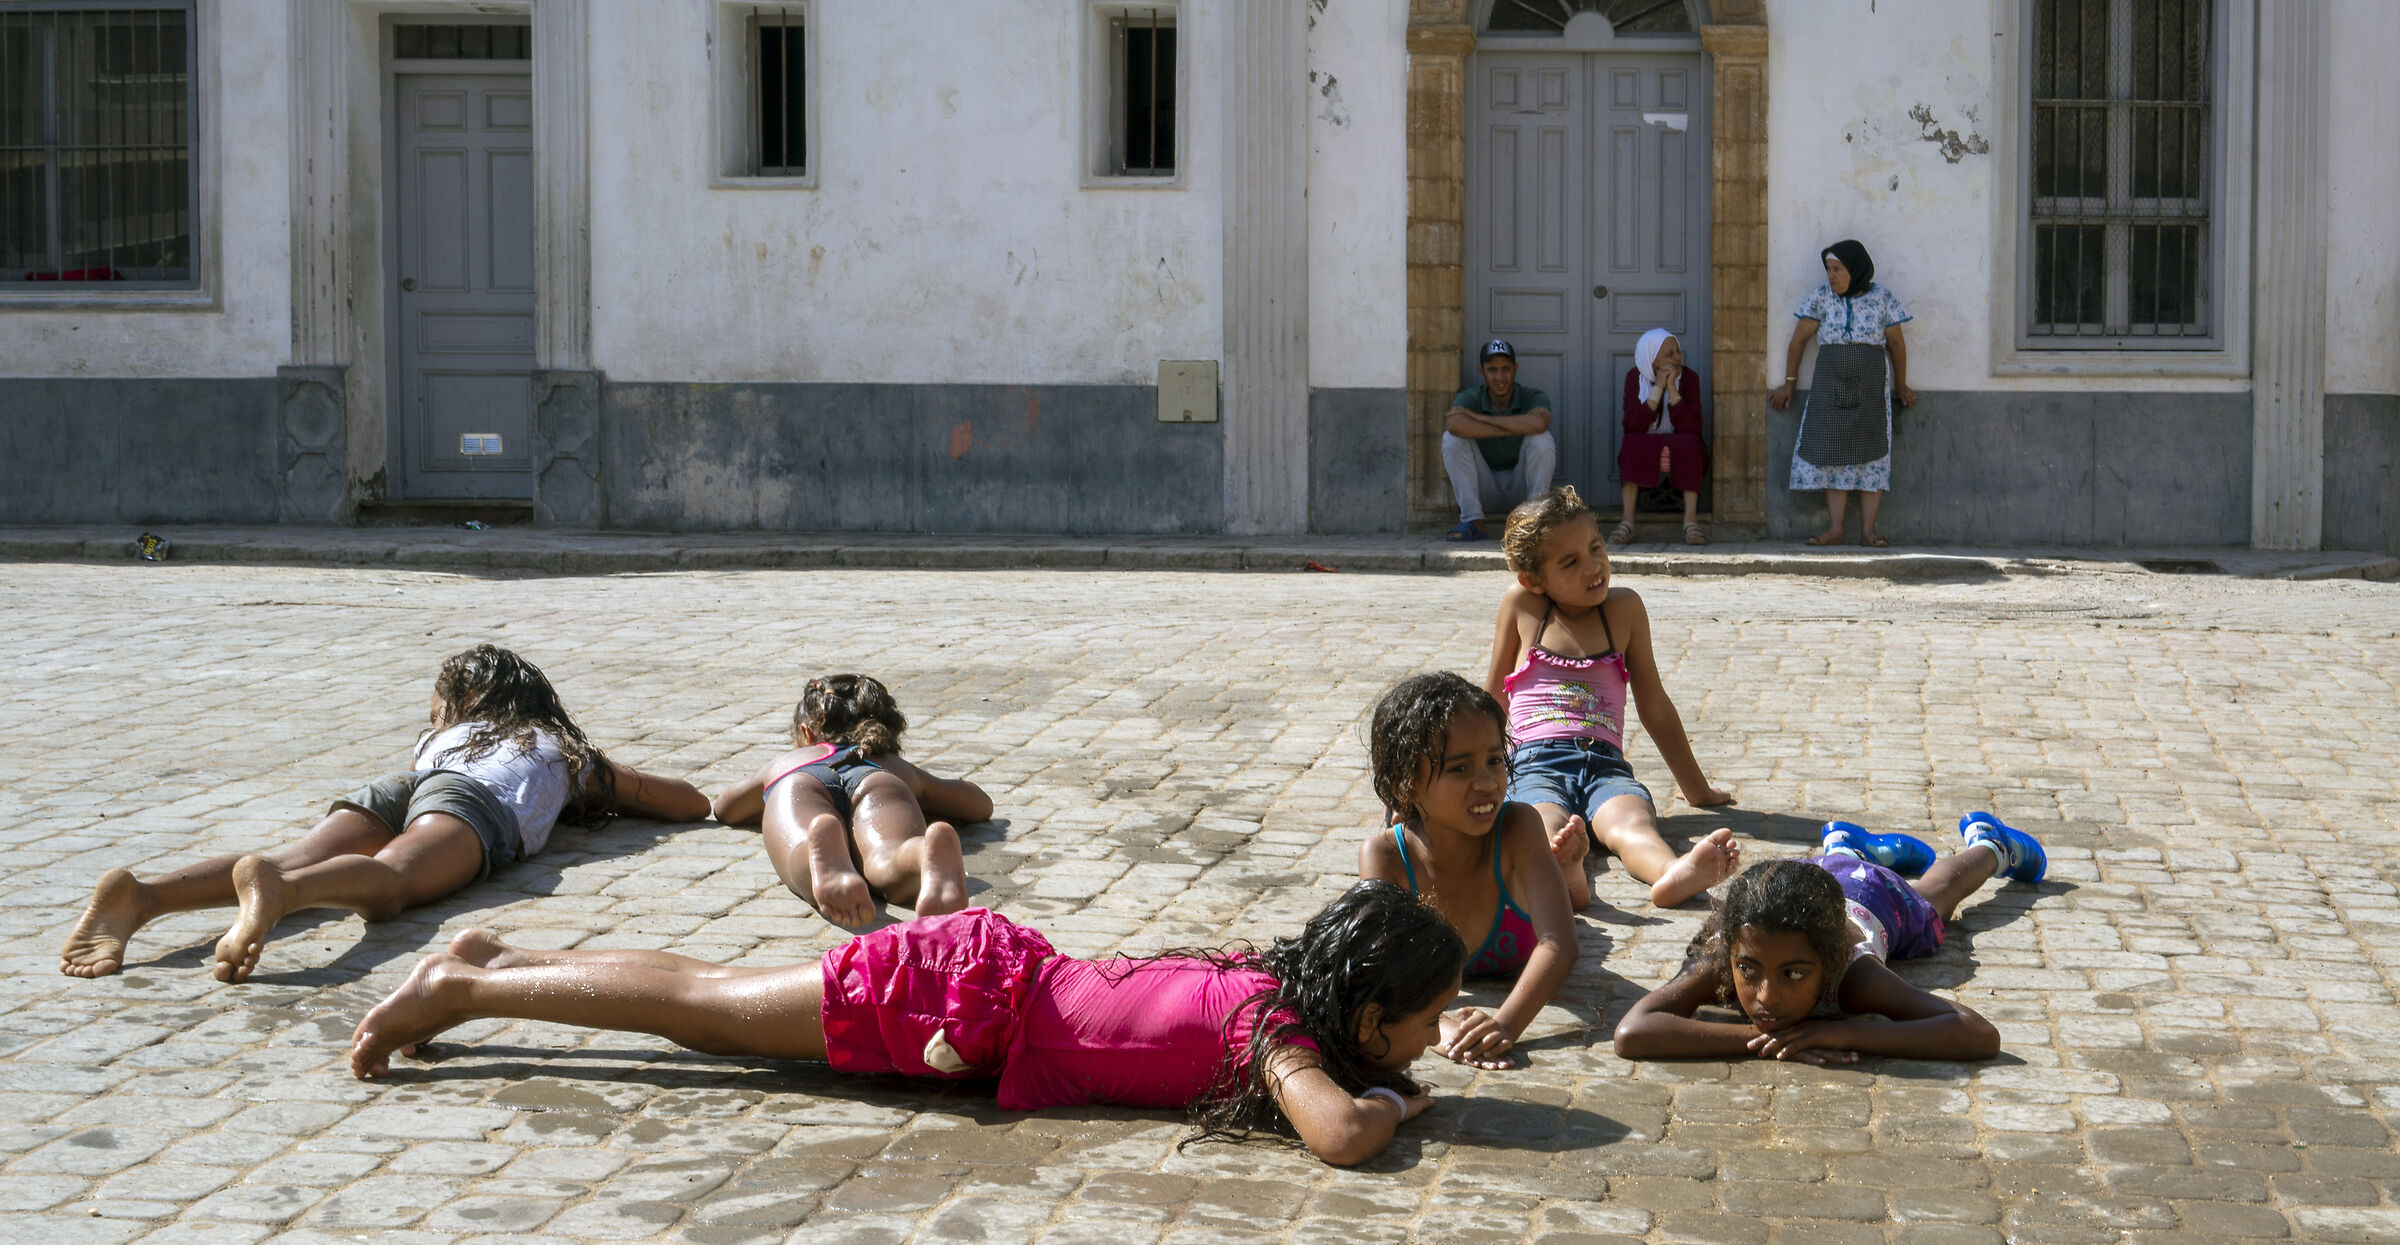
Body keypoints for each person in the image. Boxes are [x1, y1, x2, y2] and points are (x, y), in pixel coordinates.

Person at [349, 880, 1467, 1167]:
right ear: (1365, 1013)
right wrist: (1389, 1098)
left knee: (711, 988)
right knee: (707, 1011)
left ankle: (502, 961)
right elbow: (1343, 1136)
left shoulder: (1275, 988)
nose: (1432, 1038)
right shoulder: (1275, 1040)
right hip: (955, 1002)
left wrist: (1384, 1075)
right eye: (1421, 1022)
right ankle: (467, 989)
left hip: (976, 983)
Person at [58, 644, 710, 984]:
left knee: (295, 853)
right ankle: (281, 891)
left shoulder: (443, 739)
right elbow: (686, 801)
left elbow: (431, 779)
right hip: (471, 802)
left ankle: (142, 898)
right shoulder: (552, 747)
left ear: (460, 705)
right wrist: (592, 776)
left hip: (407, 783)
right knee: (394, 879)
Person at [1611, 812, 2049, 1064]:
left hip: (1873, 895)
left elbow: (1978, 1033)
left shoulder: (1854, 973)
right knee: (1831, 870)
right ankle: (1842, 846)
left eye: (1794, 974)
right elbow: (1632, 1033)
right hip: (1797, 880)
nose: (1766, 996)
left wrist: (1840, 1034)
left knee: (1934, 898)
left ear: (1829, 960)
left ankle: (1991, 846)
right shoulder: (1730, 950)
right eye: (1748, 971)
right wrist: (1764, 1039)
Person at [1485, 487, 1739, 911]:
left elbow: (1654, 704)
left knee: (1633, 824)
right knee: (1539, 823)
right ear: (1533, 579)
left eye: (1596, 548)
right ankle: (1564, 870)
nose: (1594, 566)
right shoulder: (1522, 606)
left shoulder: (1624, 608)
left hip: (1605, 763)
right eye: (1570, 562)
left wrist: (1697, 791)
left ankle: (1673, 873)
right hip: (1534, 762)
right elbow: (1493, 697)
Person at [1357, 673, 1578, 1070]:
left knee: (1571, 893)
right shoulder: (1387, 856)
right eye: (1460, 769)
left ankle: (1572, 872)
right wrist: (1436, 1026)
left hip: (1521, 898)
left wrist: (1504, 1025)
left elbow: (1560, 941)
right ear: (1405, 785)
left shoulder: (1516, 827)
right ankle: (1569, 871)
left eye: (1495, 760)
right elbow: (1375, 971)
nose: (1487, 782)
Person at [712, 674, 988, 929]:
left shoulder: (788, 761)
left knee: (797, 848)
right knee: (888, 855)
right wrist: (924, 797)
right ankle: (921, 853)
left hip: (799, 782)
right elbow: (978, 805)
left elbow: (726, 808)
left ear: (807, 735)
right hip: (878, 781)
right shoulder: (891, 763)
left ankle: (817, 850)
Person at [1767, 240, 1916, 547]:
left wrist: (1901, 384)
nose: (1831, 276)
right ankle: (1835, 529)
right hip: (1829, 387)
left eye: (1837, 269)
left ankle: (1868, 532)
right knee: (1832, 453)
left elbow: (1897, 345)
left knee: (1872, 454)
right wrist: (1789, 382)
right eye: (1828, 269)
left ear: (1855, 269)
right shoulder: (1821, 298)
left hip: (1870, 389)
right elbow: (1798, 341)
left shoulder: (1881, 298)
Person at [1441, 339, 1557, 542]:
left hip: (1521, 487)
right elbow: (1455, 424)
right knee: (1452, 439)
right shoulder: (1472, 397)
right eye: (1492, 370)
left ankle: (1534, 520)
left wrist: (1480, 419)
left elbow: (1540, 423)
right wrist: (1515, 425)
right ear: (1482, 372)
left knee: (1542, 439)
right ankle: (1473, 520)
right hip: (1486, 486)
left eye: (1505, 369)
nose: (1499, 377)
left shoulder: (1530, 395)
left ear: (1515, 369)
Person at [1616, 328, 1710, 547]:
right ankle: (1628, 521)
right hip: (1647, 445)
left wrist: (1673, 389)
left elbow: (1693, 425)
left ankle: (1690, 520)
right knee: (1631, 442)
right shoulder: (1635, 378)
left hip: (1679, 445)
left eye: (1678, 351)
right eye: (1669, 354)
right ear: (1651, 358)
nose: (1677, 358)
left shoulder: (1689, 378)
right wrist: (1658, 388)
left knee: (1689, 442)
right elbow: (1632, 425)